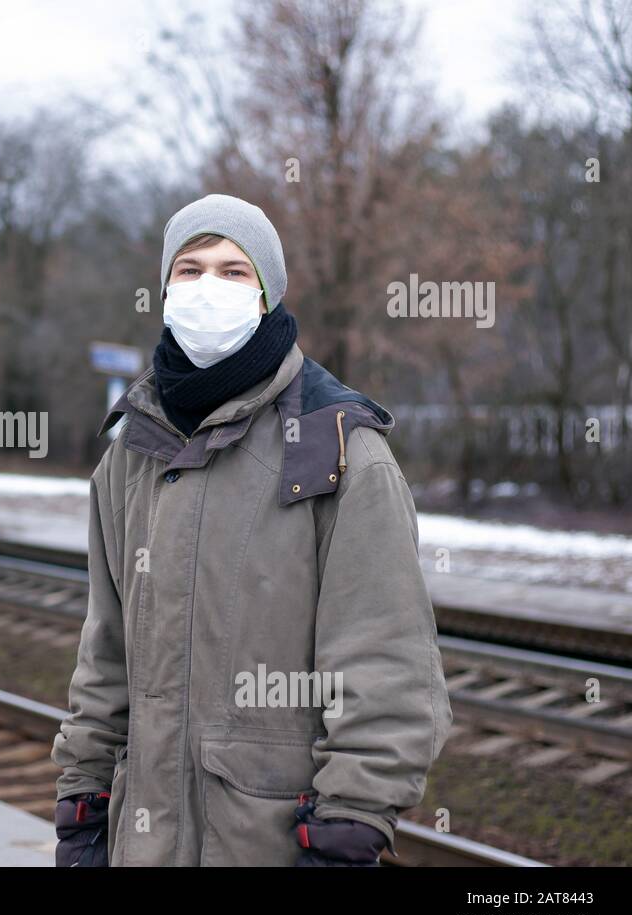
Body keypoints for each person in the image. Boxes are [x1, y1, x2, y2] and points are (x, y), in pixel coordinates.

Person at [50, 193, 452, 867]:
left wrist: (348, 829)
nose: (210, 286)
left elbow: (387, 672)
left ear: (267, 293)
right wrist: (83, 803)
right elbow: (106, 654)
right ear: (164, 289)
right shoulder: (131, 452)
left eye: (235, 272)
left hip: (267, 845)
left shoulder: (338, 449)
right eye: (190, 268)